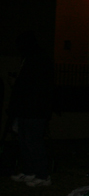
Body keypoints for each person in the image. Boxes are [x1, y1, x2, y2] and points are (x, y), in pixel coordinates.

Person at [8, 31, 55, 187]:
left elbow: (35, 85)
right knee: (24, 141)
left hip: (35, 109)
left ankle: (42, 175)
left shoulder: (38, 59)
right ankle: (30, 172)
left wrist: (17, 84)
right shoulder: (29, 58)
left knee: (33, 142)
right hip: (26, 108)